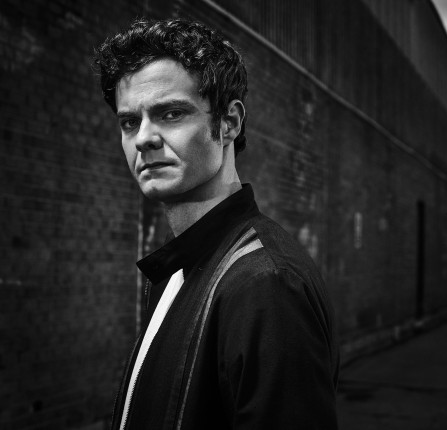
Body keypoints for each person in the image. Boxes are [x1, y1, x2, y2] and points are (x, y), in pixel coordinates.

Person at [94, 18, 339, 429]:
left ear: (229, 123)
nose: (143, 139)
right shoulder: (181, 265)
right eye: (129, 122)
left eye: (171, 113)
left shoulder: (265, 283)